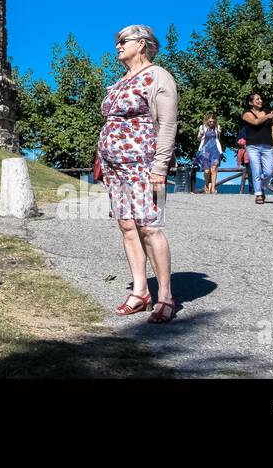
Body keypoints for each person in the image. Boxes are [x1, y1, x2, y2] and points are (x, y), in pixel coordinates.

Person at [99, 24, 180, 323]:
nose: (117, 44)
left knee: (150, 227)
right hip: (115, 167)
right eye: (116, 40)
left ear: (143, 44)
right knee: (127, 226)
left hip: (144, 166)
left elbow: (168, 124)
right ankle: (140, 291)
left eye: (123, 40)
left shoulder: (158, 76)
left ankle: (166, 297)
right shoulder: (120, 81)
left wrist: (160, 166)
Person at [241, 93, 273, 204]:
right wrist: (267, 117)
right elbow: (255, 122)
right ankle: (258, 194)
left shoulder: (267, 111)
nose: (260, 100)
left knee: (268, 172)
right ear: (250, 102)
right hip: (253, 146)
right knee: (256, 170)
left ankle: (261, 187)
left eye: (260, 98)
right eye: (257, 99)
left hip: (268, 145)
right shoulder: (246, 114)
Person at [195, 114, 223, 194]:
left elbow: (218, 139)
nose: (211, 123)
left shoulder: (218, 128)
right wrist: (200, 134)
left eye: (213, 122)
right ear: (207, 121)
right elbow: (199, 138)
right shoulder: (202, 127)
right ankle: (206, 185)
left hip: (215, 151)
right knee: (207, 170)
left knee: (214, 169)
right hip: (205, 151)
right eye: (210, 121)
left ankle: (213, 188)